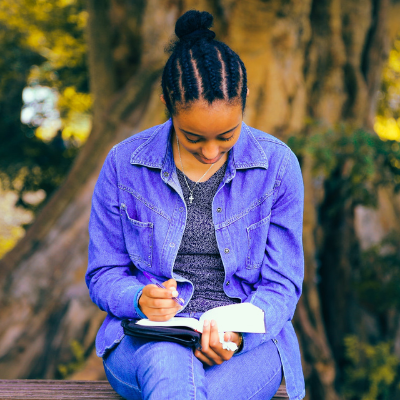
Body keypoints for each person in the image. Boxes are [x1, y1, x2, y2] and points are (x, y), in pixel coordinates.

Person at [86, 9, 305, 400]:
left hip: (246, 346)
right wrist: (138, 298)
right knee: (168, 363)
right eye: (193, 138)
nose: (210, 152)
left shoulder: (277, 165)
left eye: (226, 136)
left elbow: (282, 283)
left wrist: (236, 333)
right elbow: (103, 273)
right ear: (167, 101)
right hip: (145, 342)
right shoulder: (124, 164)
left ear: (244, 100)